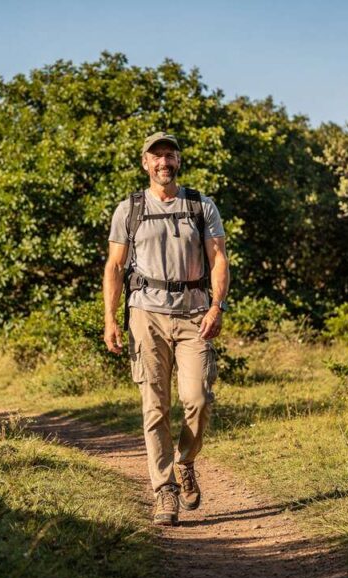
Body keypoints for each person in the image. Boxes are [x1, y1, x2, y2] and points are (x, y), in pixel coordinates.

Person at [103, 131, 230, 526]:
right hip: (146, 314)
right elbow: (115, 267)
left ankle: (184, 461)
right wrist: (110, 318)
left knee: (198, 399)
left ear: (178, 160)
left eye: (170, 156)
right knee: (154, 406)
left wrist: (217, 306)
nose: (164, 163)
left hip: (194, 314)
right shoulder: (130, 208)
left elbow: (219, 258)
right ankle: (164, 492)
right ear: (145, 162)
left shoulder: (200, 205)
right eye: (156, 157)